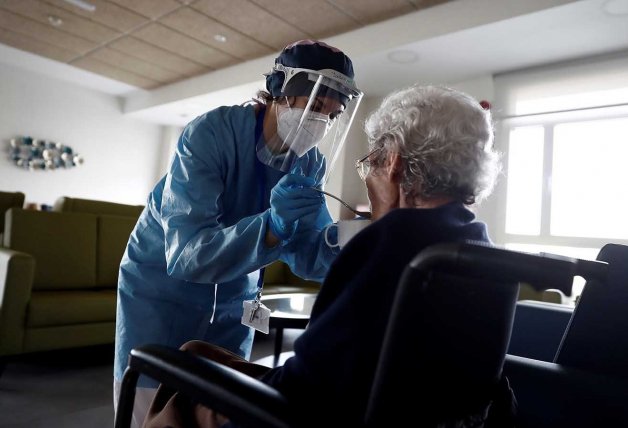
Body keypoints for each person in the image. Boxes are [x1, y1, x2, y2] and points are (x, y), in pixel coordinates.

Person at [141, 84, 510, 428]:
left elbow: (304, 387)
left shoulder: (385, 247)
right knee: (197, 351)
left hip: (302, 414)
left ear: (393, 161)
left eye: (371, 162)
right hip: (410, 411)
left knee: (180, 375)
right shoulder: (483, 253)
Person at [113, 39, 363, 427]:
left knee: (226, 405)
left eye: (331, 115)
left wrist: (347, 242)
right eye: (315, 105)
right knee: (150, 408)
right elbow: (185, 255)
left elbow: (306, 255)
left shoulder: (310, 162)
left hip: (236, 295)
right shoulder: (211, 134)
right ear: (280, 91)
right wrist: (272, 226)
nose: (321, 123)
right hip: (161, 292)